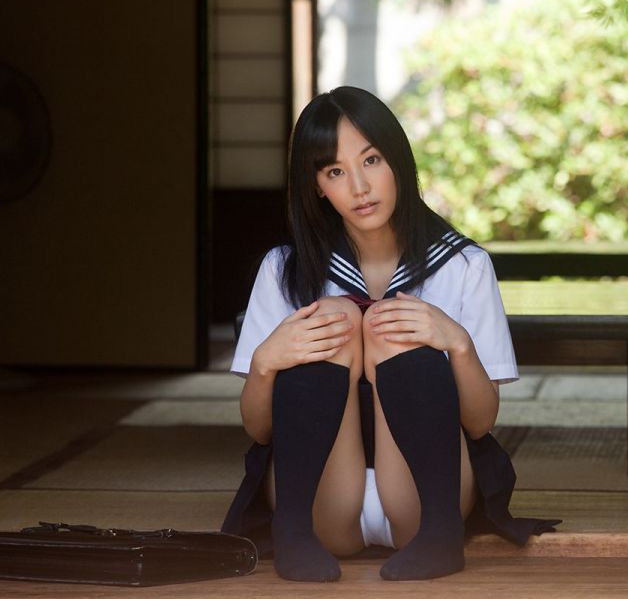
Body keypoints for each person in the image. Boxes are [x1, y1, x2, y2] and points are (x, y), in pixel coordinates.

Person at [220, 86, 559, 582]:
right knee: (335, 316)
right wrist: (267, 362)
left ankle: (441, 540)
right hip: (321, 500)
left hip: (427, 496)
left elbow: (481, 422)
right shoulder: (283, 269)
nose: (359, 186)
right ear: (317, 186)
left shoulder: (464, 265)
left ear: (397, 160)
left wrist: (456, 342)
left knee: (390, 323)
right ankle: (291, 535)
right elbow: (259, 430)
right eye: (335, 171)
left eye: (372, 160)